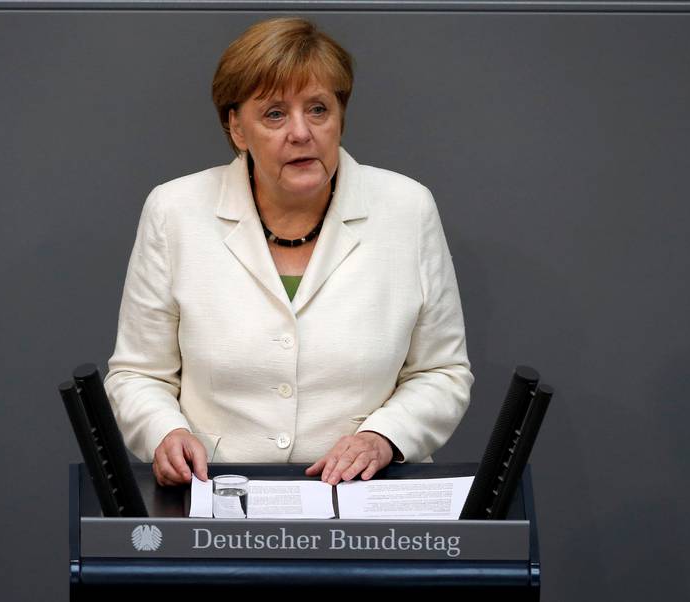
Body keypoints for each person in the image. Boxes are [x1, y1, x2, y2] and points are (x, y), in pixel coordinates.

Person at [104, 17, 473, 488]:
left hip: (365, 498)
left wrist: (383, 438)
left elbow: (442, 372)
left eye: (318, 109)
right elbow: (137, 374)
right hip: (219, 496)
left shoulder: (407, 209)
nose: (301, 132)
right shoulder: (175, 211)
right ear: (237, 127)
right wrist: (166, 432)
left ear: (340, 117)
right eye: (275, 114)